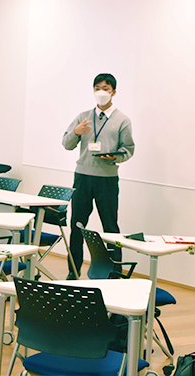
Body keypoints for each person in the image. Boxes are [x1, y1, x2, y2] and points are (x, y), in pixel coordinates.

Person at [62, 73, 135, 280]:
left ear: (114, 92)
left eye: (106, 88)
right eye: (97, 88)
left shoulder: (122, 120)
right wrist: (76, 132)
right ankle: (73, 270)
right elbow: (66, 144)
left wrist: (116, 157)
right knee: (77, 225)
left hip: (107, 179)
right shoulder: (83, 116)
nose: (101, 92)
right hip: (83, 177)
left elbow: (128, 149)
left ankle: (115, 273)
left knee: (110, 227)